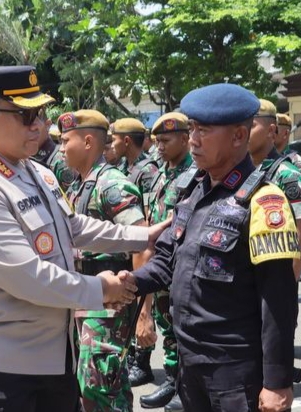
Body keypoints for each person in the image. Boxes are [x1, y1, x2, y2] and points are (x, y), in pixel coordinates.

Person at [0, 66, 167, 412]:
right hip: (0, 367)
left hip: (51, 357)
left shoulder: (36, 172)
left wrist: (140, 236)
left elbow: (72, 227)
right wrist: (101, 290)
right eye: (26, 114)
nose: (40, 125)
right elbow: (28, 277)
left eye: (41, 113)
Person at [127, 83, 299, 412]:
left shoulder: (264, 202)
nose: (193, 139)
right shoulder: (193, 190)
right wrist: (131, 282)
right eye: (192, 128)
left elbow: (278, 301)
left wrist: (277, 381)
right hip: (190, 365)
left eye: (204, 130)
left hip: (234, 372)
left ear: (238, 136)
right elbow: (167, 259)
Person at [58, 108, 148, 411]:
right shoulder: (80, 184)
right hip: (85, 296)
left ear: (87, 142)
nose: (60, 149)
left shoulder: (111, 184)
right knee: (87, 384)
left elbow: (142, 243)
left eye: (65, 140)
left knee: (103, 386)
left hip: (110, 302)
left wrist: (145, 311)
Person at [135, 112, 192, 410]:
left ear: (185, 138)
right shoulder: (159, 174)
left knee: (182, 328)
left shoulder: (195, 175)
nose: (159, 146)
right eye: (156, 141)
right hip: (158, 265)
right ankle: (173, 379)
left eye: (166, 140)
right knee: (167, 324)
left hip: (181, 265)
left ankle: (184, 386)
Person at [250, 99, 301, 279]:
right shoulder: (243, 171)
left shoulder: (288, 175)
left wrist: (290, 285)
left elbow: (299, 238)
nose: (243, 132)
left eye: (251, 125)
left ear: (271, 130)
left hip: (275, 275)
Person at [110, 118, 160, 215]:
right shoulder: (122, 166)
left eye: (114, 140)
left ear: (126, 141)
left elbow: (148, 214)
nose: (112, 145)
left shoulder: (148, 171)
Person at [32, 109, 78, 192]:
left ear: (48, 124)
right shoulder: (26, 158)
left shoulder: (60, 161)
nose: (30, 133)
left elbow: (72, 199)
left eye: (35, 129)